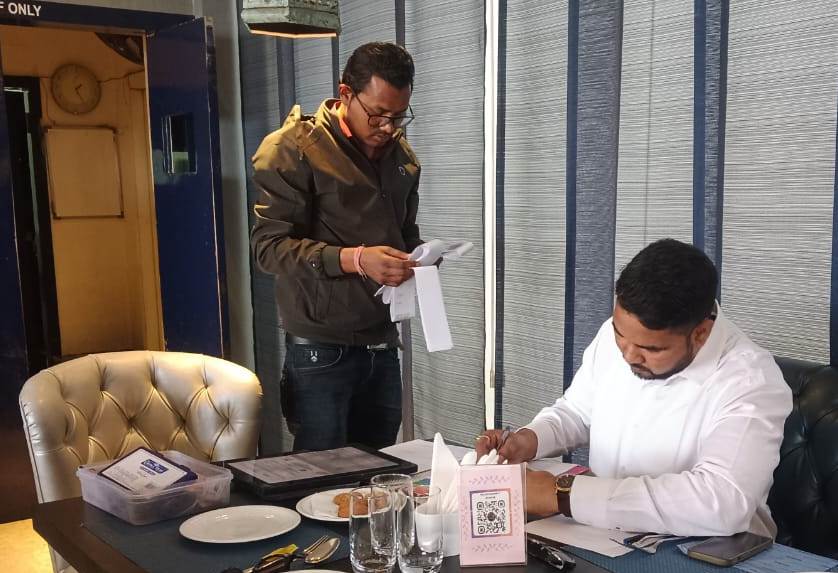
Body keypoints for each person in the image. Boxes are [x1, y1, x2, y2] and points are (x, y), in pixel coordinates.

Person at [476, 239, 792, 537]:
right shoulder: (622, 333)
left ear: (700, 334)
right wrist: (530, 439)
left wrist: (561, 495)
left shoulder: (751, 381)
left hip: (706, 549)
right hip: (603, 533)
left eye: (650, 349)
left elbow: (721, 501)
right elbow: (577, 411)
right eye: (620, 336)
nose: (628, 355)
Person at [251, 42, 423, 451]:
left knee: (380, 470)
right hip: (321, 349)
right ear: (345, 93)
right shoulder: (293, 149)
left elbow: (404, 231)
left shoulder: (400, 156)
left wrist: (418, 258)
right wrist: (356, 259)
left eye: (399, 116)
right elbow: (268, 248)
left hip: (381, 343)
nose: (388, 127)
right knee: (320, 475)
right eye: (377, 114)